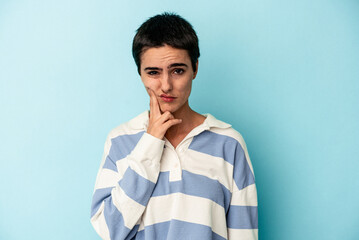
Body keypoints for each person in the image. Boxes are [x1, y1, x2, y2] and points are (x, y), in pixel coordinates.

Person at [90, 12, 258, 240]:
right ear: (140, 73)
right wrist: (150, 143)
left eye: (177, 70)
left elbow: (244, 234)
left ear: (195, 69)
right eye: (153, 72)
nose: (166, 85)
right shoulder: (120, 140)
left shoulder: (228, 143)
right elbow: (110, 231)